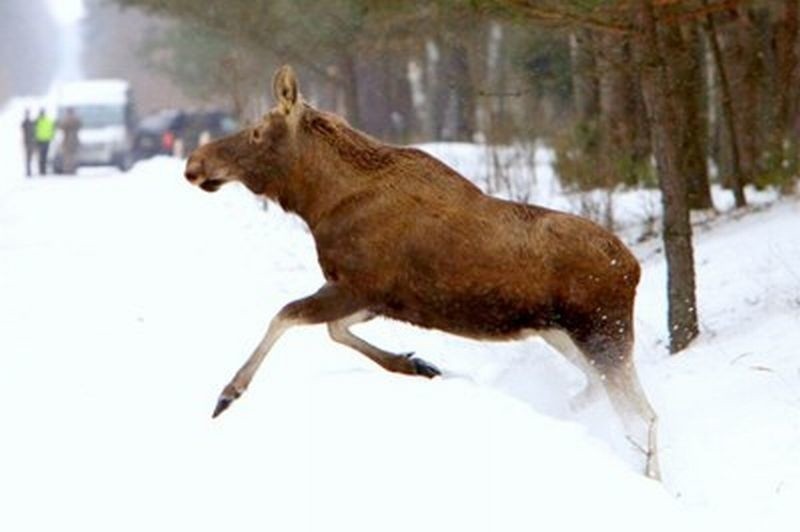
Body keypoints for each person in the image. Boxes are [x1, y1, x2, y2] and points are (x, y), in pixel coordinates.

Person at [58, 107, 82, 174]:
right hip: (71, 140)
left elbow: (61, 127)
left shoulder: (67, 119)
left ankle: (69, 169)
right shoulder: (75, 119)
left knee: (69, 156)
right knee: (70, 156)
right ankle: (70, 169)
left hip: (68, 140)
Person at [34, 108, 56, 175]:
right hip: (40, 140)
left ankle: (43, 170)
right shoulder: (37, 121)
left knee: (44, 156)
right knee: (41, 156)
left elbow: (52, 129)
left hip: (46, 140)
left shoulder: (46, 121)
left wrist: (52, 136)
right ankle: (41, 170)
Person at [21, 109, 36, 177]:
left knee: (31, 157)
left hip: (32, 142)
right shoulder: (25, 122)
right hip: (27, 142)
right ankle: (28, 171)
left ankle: (29, 170)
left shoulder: (31, 122)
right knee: (28, 157)